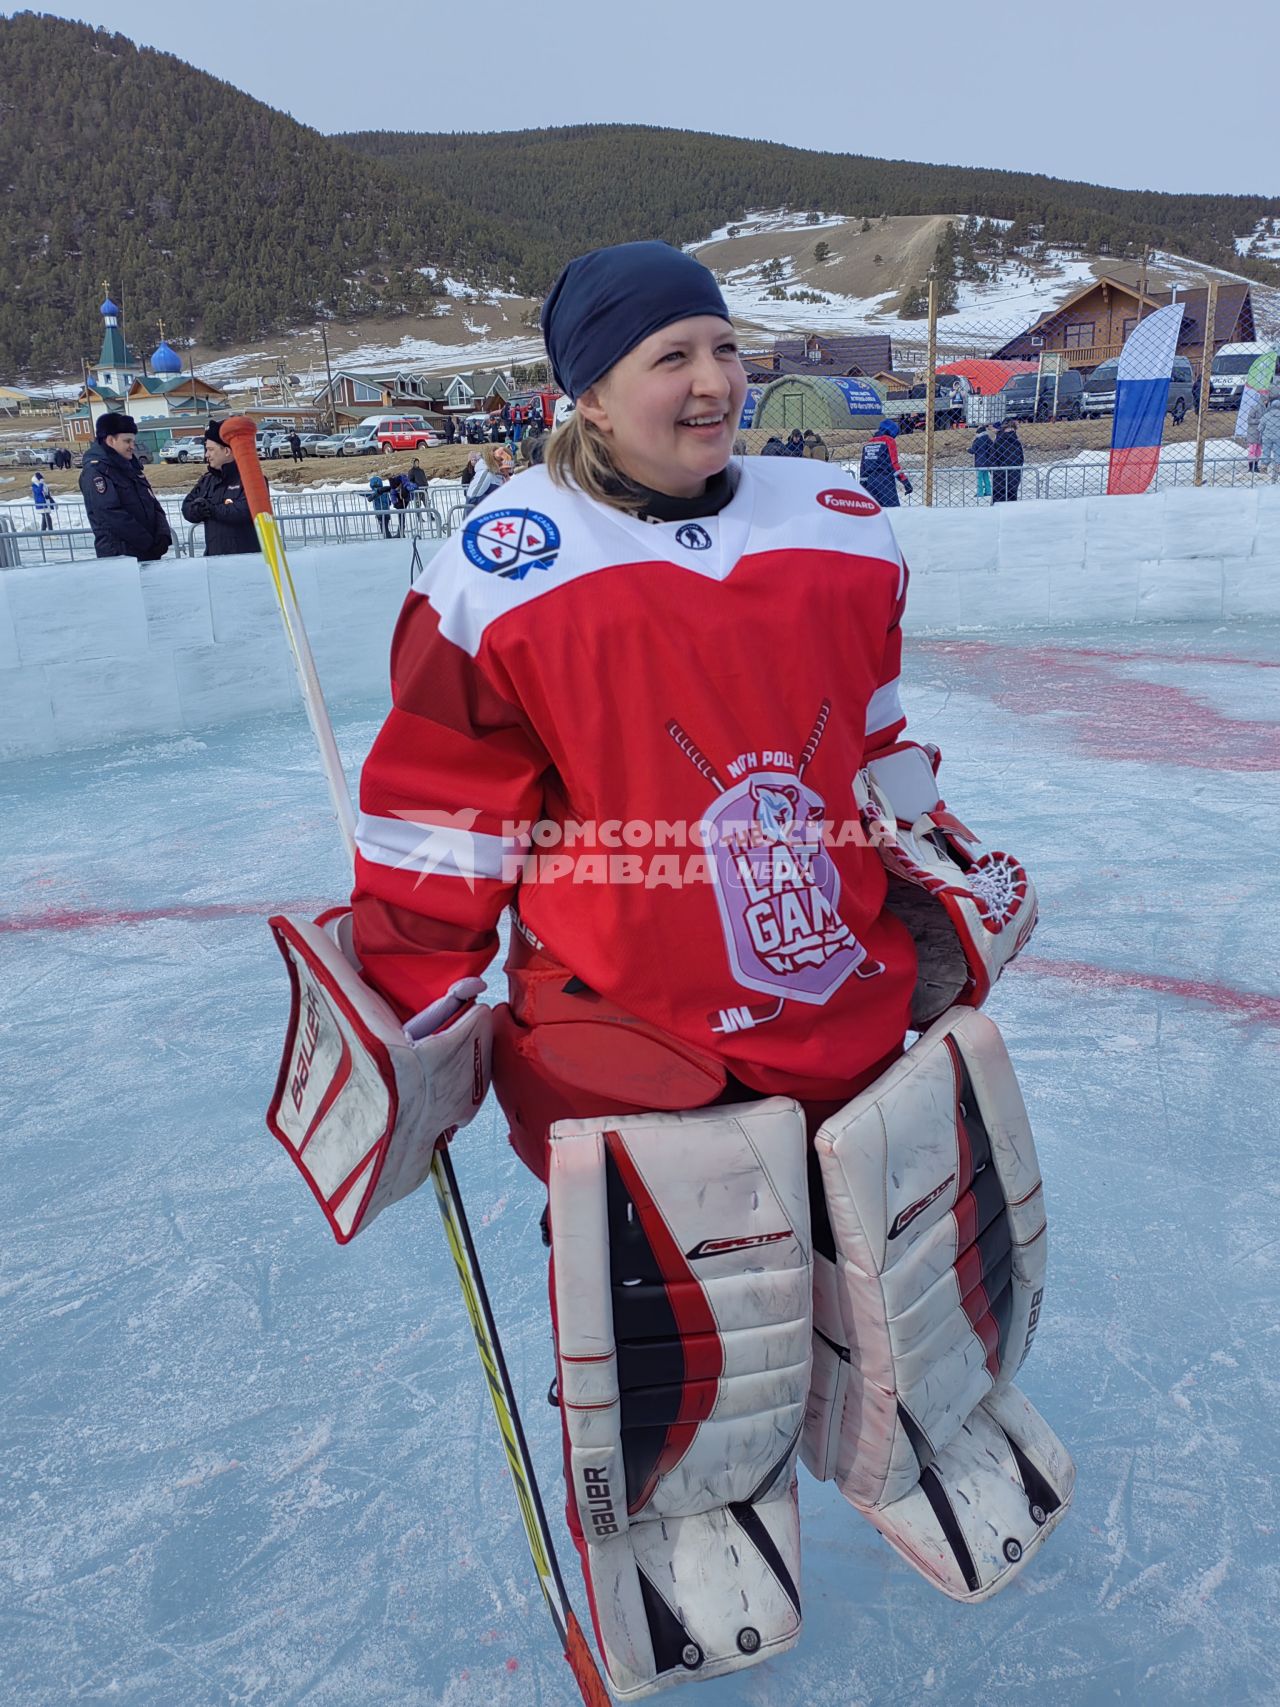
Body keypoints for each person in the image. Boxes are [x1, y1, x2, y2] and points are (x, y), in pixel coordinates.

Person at [336, 240, 1060, 1691]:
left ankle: (918, 1416)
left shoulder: (842, 519)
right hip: (627, 1017)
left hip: (831, 977)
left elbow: (869, 733)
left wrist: (925, 852)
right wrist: (409, 993)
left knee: (893, 1233)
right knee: (680, 1289)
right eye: (670, 356)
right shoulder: (501, 568)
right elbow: (440, 810)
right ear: (589, 394)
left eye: (725, 347)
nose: (717, 380)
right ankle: (686, 1505)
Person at [79, 412, 172, 561]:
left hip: (147, 553)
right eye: (127, 441)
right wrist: (147, 542)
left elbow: (153, 503)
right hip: (121, 556)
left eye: (133, 442)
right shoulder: (97, 472)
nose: (132, 447)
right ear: (110, 440)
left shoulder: (132, 468)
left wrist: (162, 535)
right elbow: (111, 514)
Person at [180, 420, 260, 556]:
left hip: (245, 559)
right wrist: (197, 510)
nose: (206, 455)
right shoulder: (207, 480)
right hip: (215, 558)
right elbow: (187, 506)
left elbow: (247, 510)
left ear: (227, 451)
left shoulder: (250, 478)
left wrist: (212, 509)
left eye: (211, 449)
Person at [858, 418, 912, 506]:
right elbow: (893, 464)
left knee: (875, 510)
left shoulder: (868, 444)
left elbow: (863, 468)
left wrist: (862, 485)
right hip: (885, 480)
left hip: (870, 482)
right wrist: (905, 481)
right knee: (893, 510)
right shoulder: (889, 441)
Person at [989, 418, 1024, 503]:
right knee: (1011, 504)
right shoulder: (1017, 443)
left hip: (999, 479)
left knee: (998, 504)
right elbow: (1021, 460)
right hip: (1014, 477)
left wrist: (995, 472)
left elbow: (992, 460)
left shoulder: (998, 442)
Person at [968, 420, 996, 498]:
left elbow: (973, 450)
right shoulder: (989, 439)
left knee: (979, 479)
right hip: (987, 462)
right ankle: (988, 492)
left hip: (979, 462)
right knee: (986, 478)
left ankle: (980, 493)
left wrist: (968, 450)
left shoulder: (977, 440)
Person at [1258, 388, 1280, 484]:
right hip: (1278, 437)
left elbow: (1260, 428)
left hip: (1266, 437)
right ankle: (1278, 465)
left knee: (1266, 451)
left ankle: (1264, 466)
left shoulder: (1266, 415)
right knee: (1278, 452)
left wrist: (1263, 431)